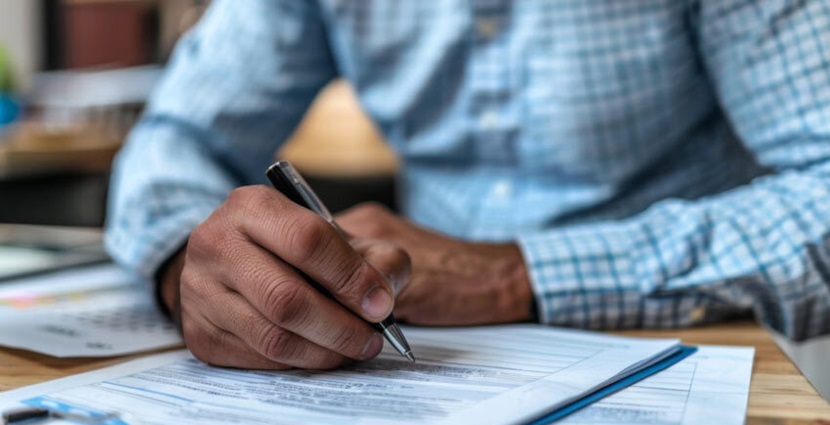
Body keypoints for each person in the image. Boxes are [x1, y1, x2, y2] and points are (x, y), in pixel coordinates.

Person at [106, 0, 830, 370]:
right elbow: (177, 141)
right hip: (421, 360)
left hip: (688, 349)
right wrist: (184, 268)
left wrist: (517, 275)